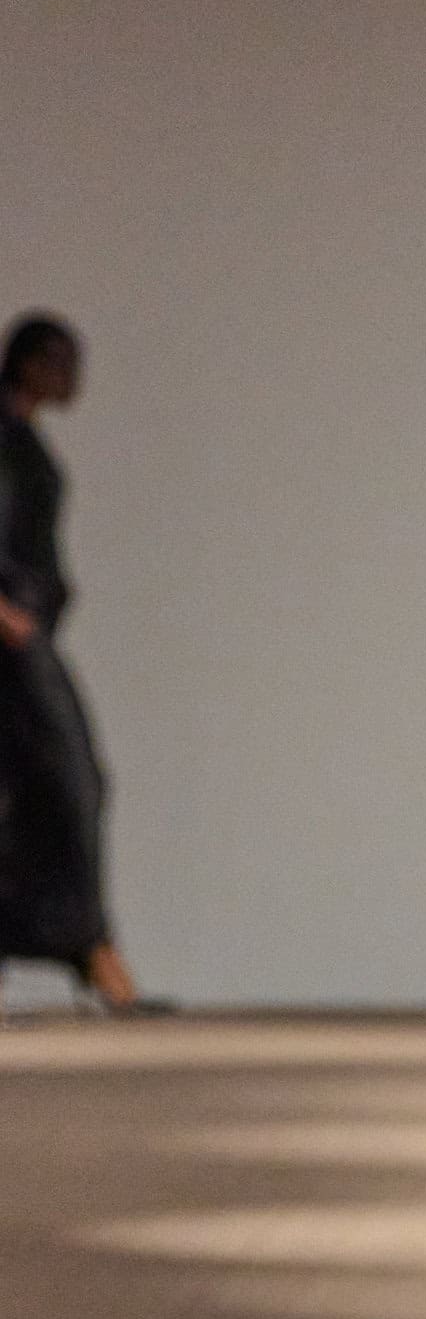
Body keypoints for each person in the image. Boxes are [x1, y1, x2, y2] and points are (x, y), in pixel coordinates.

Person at [0, 313, 169, 1016]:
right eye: (63, 362)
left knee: (50, 787)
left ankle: (90, 948)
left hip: (24, 633)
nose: (75, 378)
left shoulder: (21, 436)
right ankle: (93, 950)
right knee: (70, 781)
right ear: (31, 362)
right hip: (11, 638)